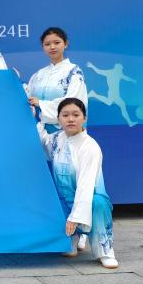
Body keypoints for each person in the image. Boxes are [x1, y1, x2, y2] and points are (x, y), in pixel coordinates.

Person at [37, 98, 117, 269]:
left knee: (98, 203)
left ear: (84, 118)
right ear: (58, 119)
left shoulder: (90, 147)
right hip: (63, 198)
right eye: (65, 115)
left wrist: (75, 217)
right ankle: (71, 240)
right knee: (50, 203)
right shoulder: (57, 138)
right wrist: (33, 118)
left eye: (76, 115)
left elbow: (86, 185)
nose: (70, 119)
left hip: (88, 198)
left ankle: (105, 251)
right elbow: (42, 140)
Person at [27, 27, 88, 130]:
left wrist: (40, 104)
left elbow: (74, 104)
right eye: (47, 44)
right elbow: (27, 101)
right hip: (38, 133)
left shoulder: (74, 72)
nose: (52, 47)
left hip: (66, 133)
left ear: (65, 44)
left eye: (57, 42)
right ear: (43, 47)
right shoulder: (37, 75)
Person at [87, 62, 137, 127]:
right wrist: (92, 66)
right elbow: (99, 71)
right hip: (113, 94)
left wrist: (132, 80)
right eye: (121, 69)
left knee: (113, 103)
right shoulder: (110, 72)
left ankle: (94, 94)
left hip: (116, 95)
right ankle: (94, 94)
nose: (121, 70)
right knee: (119, 105)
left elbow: (126, 78)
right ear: (117, 68)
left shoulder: (118, 74)